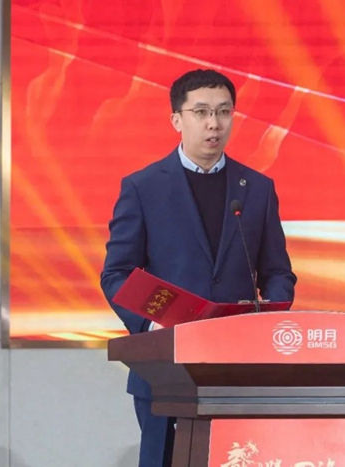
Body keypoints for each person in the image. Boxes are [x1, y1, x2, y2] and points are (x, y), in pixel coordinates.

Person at [100, 69, 297, 467]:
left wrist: (269, 317)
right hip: (165, 366)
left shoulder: (257, 188)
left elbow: (277, 272)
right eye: (202, 112)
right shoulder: (143, 187)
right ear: (177, 119)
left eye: (224, 112)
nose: (214, 123)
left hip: (239, 364)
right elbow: (117, 273)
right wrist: (151, 326)